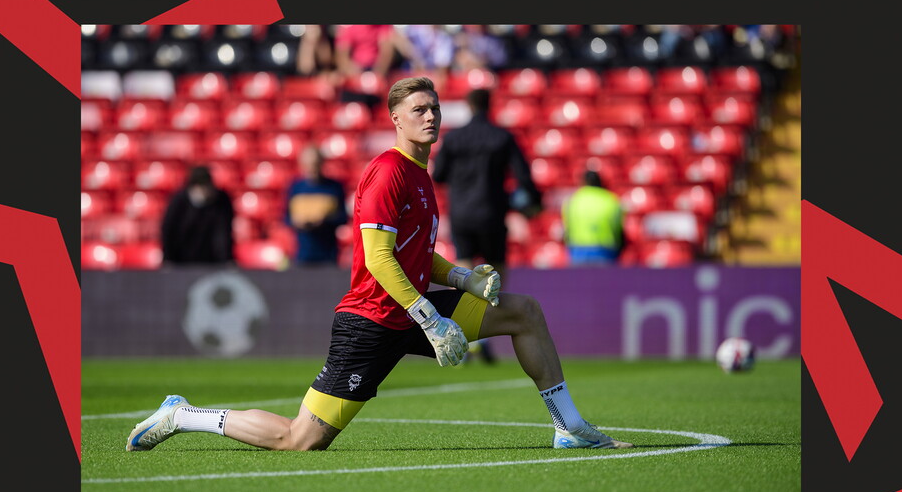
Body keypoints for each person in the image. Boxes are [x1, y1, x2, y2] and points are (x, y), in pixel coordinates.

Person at [126, 77, 632, 454]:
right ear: (396, 119)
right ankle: (184, 415)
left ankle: (569, 427)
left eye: (434, 108)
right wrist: (431, 319)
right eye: (419, 110)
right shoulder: (388, 172)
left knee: (524, 311)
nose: (430, 117)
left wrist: (462, 277)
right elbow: (378, 257)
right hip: (372, 320)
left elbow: (416, 255)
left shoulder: (421, 175)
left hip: (408, 310)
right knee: (299, 439)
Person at [431, 87, 542, 362]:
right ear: (490, 105)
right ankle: (485, 336)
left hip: (462, 214)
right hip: (493, 213)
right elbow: (523, 175)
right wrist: (533, 203)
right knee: (496, 275)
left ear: (469, 106)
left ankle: (465, 336)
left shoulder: (454, 138)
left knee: (464, 272)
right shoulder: (502, 136)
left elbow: (439, 174)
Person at [285, 145, 348, 266]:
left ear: (321, 163)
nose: (311, 168)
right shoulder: (295, 188)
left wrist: (324, 221)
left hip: (328, 254)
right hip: (302, 254)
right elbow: (286, 218)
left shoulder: (334, 187)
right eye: (308, 164)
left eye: (315, 164)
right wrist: (297, 222)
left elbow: (343, 217)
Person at [159, 165, 235, 265]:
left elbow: (224, 233)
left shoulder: (221, 201)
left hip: (212, 262)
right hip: (182, 262)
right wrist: (168, 259)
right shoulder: (178, 202)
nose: (204, 191)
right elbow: (169, 231)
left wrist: (226, 260)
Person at [561, 169, 624, 265]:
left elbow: (567, 228)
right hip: (605, 249)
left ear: (583, 182)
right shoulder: (611, 200)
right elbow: (618, 228)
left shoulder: (572, 200)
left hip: (578, 250)